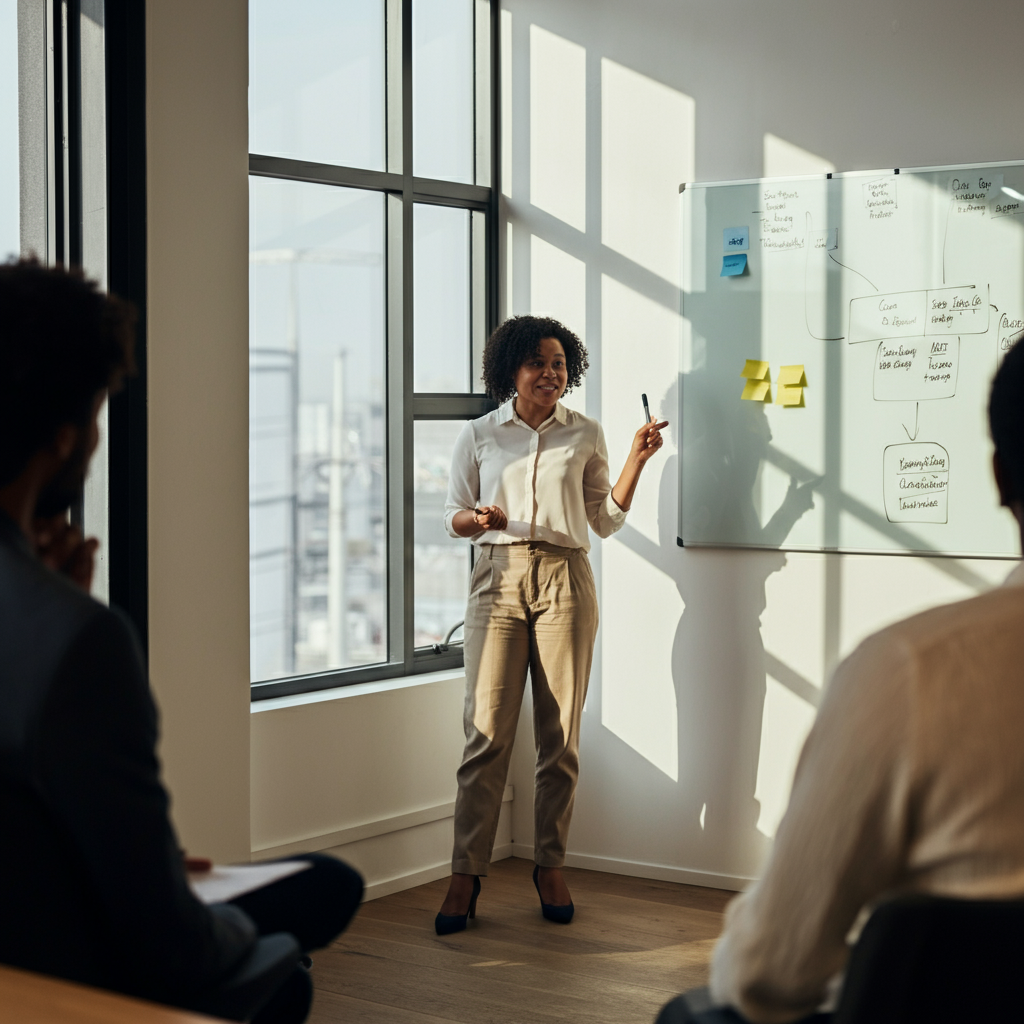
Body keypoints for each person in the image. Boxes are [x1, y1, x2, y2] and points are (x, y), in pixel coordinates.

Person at [0, 258, 363, 1024]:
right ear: (64, 438)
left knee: (312, 888)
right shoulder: (74, 640)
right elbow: (169, 942)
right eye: (98, 413)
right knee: (300, 938)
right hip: (54, 973)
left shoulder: (50, 621)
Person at [655, 337, 1024, 1024]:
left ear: (999, 477)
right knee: (714, 775)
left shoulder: (908, 672)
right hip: (714, 631)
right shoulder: (695, 474)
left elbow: (770, 974)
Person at [435, 314, 668, 934]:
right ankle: (465, 874)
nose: (551, 372)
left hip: (566, 578)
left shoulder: (584, 432)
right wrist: (477, 520)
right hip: (498, 578)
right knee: (484, 735)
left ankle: (550, 865)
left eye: (560, 363)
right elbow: (452, 517)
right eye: (539, 362)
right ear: (511, 369)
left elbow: (605, 519)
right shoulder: (482, 434)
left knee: (559, 738)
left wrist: (637, 461)